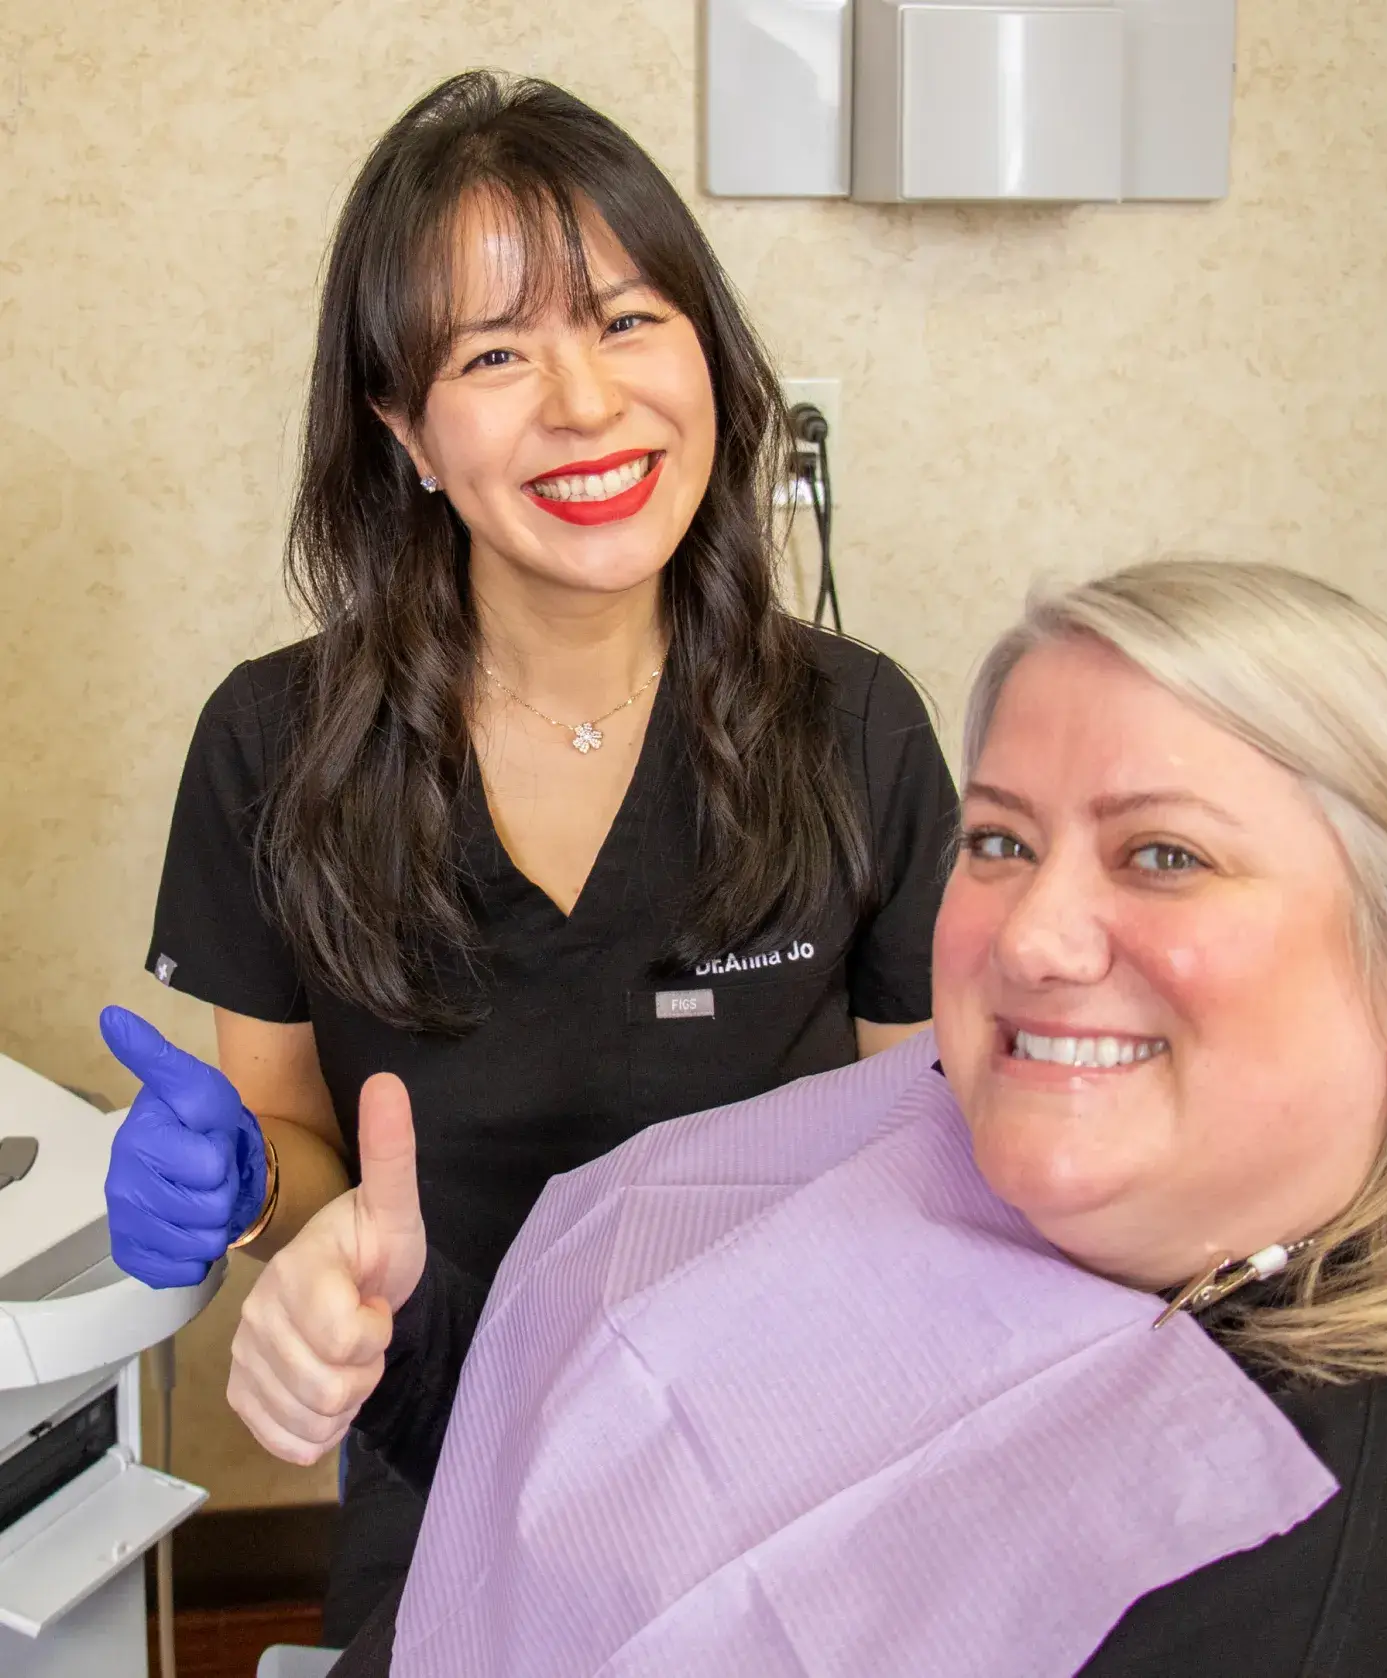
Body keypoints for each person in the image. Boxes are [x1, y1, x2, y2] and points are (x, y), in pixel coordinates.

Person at [224, 560, 1387, 1675]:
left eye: (1163, 853)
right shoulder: (941, 1145)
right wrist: (406, 1344)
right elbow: (661, 1450)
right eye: (1000, 839)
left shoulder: (1358, 1590)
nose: (1035, 932)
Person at [96, 71, 955, 1641]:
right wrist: (259, 1201)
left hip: (804, 1466)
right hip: (454, 1463)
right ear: (404, 430)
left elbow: (942, 1141)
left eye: (627, 321)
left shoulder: (858, 728)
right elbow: (295, 1138)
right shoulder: (273, 748)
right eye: (494, 352)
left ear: (709, 357)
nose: (583, 404)